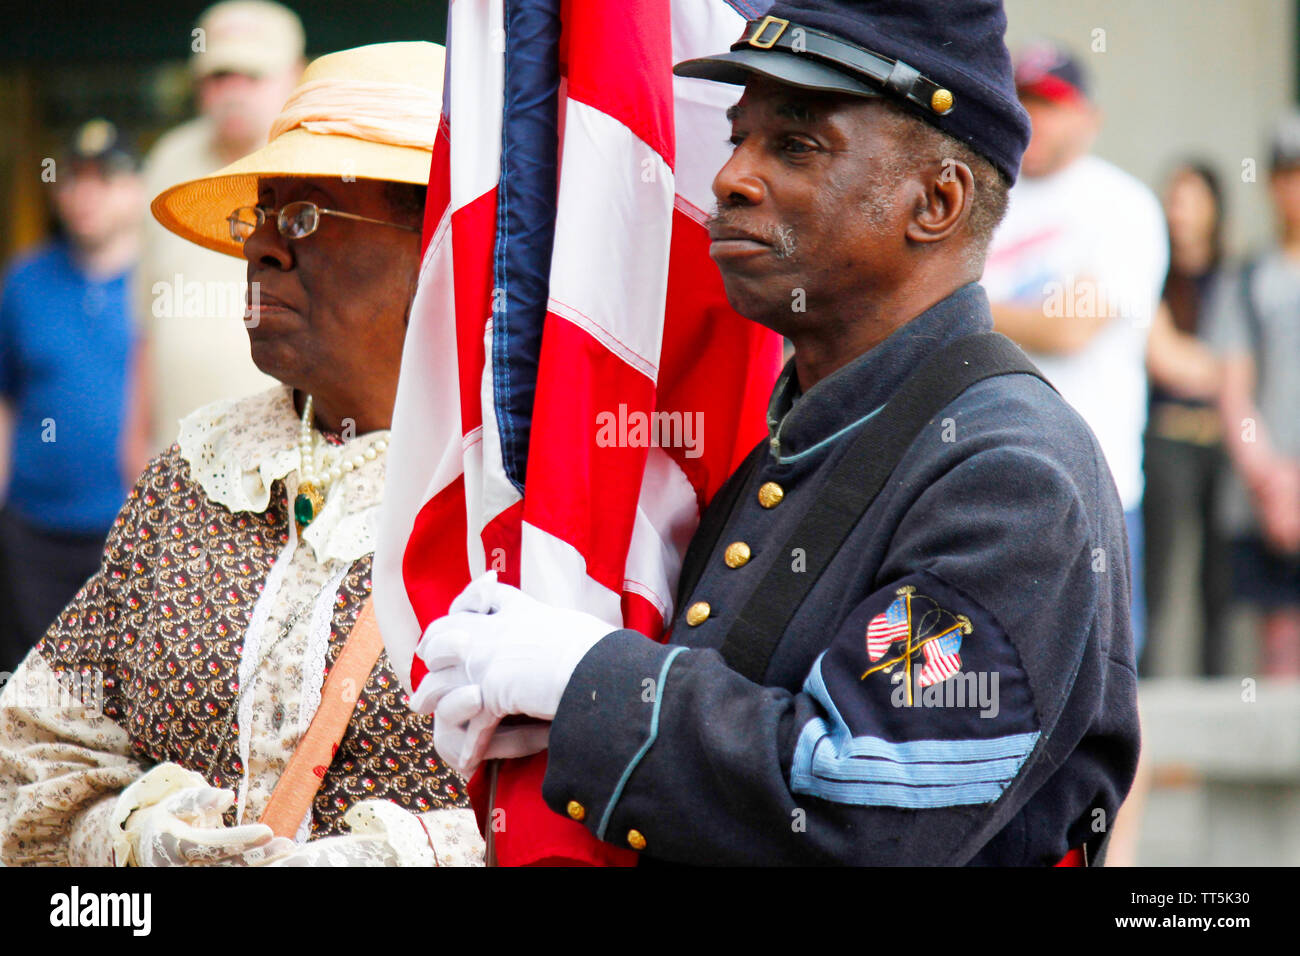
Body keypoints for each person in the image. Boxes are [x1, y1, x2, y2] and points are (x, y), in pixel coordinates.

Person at [410, 0, 1139, 865]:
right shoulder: (806, 440)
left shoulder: (1005, 473)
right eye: (736, 139)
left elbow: (868, 804)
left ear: (937, 202)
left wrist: (592, 683)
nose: (730, 180)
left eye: (795, 145)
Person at [0, 42, 482, 867]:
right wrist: (135, 838)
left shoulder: (525, 501)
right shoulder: (196, 473)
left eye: (307, 215)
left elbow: (591, 811)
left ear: (439, 243)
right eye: (260, 216)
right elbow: (31, 750)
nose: (262, 248)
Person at [981, 41, 1168, 659]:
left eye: (1051, 104)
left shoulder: (1122, 203)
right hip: (979, 475)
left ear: (1090, 117)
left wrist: (958, 307)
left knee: (1103, 690)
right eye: (1024, 100)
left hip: (1094, 484)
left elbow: (1070, 327)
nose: (1034, 118)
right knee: (982, 682)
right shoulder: (982, 187)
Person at [0, 120, 147, 673]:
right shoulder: (25, 281)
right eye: (71, 179)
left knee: (121, 696)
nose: (83, 193)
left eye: (103, 178)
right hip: (31, 531)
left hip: (129, 535)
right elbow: (6, 397)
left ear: (137, 188)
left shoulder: (162, 282)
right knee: (25, 690)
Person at [134, 0, 304, 454]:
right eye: (218, 76)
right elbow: (147, 320)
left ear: (297, 73)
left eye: (252, 75)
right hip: (173, 453)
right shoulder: (169, 158)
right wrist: (135, 439)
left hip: (286, 456)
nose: (233, 91)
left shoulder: (314, 166)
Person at [1204, 114, 1300, 678]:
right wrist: (1274, 482)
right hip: (1269, 499)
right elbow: (1232, 389)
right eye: (1287, 174)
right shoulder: (1247, 279)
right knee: (1281, 644)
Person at [1142, 162, 1231, 676]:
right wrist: (1220, 369)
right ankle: (1145, 696)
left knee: (1218, 582)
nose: (1180, 212)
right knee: (1156, 575)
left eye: (1191, 199)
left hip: (1222, 441)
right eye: (1174, 199)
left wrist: (1214, 370)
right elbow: (1165, 360)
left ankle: (1216, 692)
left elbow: (1239, 365)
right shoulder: (1152, 270)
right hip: (1164, 437)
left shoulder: (1234, 277)